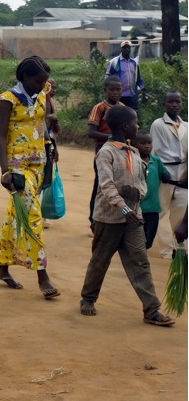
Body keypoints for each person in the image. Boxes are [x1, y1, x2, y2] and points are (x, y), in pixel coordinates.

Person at [79, 105, 174, 326]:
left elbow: (141, 184)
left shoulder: (133, 153)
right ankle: (88, 298)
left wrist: (136, 196)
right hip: (109, 218)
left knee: (140, 262)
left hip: (133, 219)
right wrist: (124, 208)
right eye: (135, 122)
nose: (138, 126)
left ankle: (151, 310)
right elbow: (106, 185)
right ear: (125, 126)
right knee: (100, 260)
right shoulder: (106, 152)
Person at [0, 56, 59, 296]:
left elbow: (43, 124)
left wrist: (52, 144)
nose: (42, 85)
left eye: (44, 81)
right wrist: (4, 171)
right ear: (24, 78)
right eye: (37, 81)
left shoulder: (43, 93)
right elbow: (0, 137)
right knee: (32, 216)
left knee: (15, 215)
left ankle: (2, 267)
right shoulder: (7, 99)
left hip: (39, 162)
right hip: (17, 166)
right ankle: (43, 277)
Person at [150, 91, 188, 259]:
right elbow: (157, 150)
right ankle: (167, 250)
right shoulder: (158, 124)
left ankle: (180, 245)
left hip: (183, 173)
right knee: (161, 212)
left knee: (181, 209)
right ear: (164, 104)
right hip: (164, 170)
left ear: (182, 104)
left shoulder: (186, 126)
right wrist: (161, 172)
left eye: (177, 101)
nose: (174, 104)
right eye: (170, 102)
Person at [87, 76, 125, 222]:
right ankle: (93, 218)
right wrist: (111, 137)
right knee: (101, 184)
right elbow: (91, 132)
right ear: (105, 90)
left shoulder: (122, 108)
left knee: (117, 184)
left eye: (118, 89)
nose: (115, 92)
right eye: (112, 89)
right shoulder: (100, 108)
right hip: (102, 150)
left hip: (120, 151)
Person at [134, 131, 175, 250]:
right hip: (137, 207)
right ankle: (137, 254)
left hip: (152, 206)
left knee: (150, 236)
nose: (147, 146)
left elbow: (165, 175)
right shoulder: (132, 159)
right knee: (136, 234)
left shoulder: (156, 161)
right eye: (142, 143)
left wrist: (167, 175)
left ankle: (144, 250)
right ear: (134, 144)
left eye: (149, 143)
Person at [106, 40, 145, 111]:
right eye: (124, 48)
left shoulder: (134, 63)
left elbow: (139, 78)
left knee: (133, 116)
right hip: (119, 96)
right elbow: (108, 77)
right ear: (121, 49)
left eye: (128, 48)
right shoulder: (114, 62)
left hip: (132, 95)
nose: (127, 49)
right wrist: (109, 91)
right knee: (119, 116)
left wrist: (143, 89)